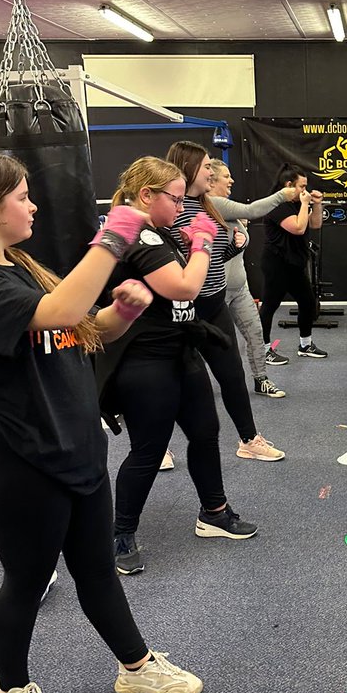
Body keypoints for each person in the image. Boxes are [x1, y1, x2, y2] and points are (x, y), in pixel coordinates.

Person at [0, 147, 203, 693]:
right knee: (27, 580)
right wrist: (116, 235)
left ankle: (136, 667)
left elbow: (74, 332)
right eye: (21, 197)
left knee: (96, 572)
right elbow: (61, 308)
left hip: (77, 443)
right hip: (22, 456)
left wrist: (119, 313)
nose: (32, 205)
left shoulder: (19, 268)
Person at [99, 155, 259, 576]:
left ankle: (215, 512)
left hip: (181, 352)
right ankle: (121, 533)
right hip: (145, 361)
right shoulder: (139, 238)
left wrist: (199, 243)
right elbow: (187, 286)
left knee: (206, 433)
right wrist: (205, 243)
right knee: (149, 450)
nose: (180, 204)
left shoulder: (162, 233)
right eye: (173, 197)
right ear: (147, 196)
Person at [166, 141, 283, 461]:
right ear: (189, 169)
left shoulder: (209, 205)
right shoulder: (173, 210)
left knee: (232, 373)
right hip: (184, 310)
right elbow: (170, 260)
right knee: (169, 380)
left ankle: (249, 439)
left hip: (214, 302)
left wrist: (233, 247)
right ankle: (157, 445)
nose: (211, 171)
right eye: (206, 166)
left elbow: (211, 255)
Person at [207, 158, 294, 399]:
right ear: (211, 180)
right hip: (217, 290)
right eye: (227, 176)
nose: (232, 180)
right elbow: (252, 210)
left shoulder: (224, 210)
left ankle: (261, 380)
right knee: (216, 343)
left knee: (255, 332)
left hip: (240, 287)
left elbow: (239, 224)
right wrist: (282, 195)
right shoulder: (213, 202)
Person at [258, 166, 327, 365]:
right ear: (289, 185)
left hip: (295, 263)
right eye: (302, 186)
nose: (305, 190)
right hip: (276, 263)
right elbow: (297, 228)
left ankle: (305, 345)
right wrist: (306, 203)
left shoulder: (299, 203)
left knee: (307, 302)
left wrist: (317, 204)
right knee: (270, 306)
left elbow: (315, 224)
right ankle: (264, 350)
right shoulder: (276, 205)